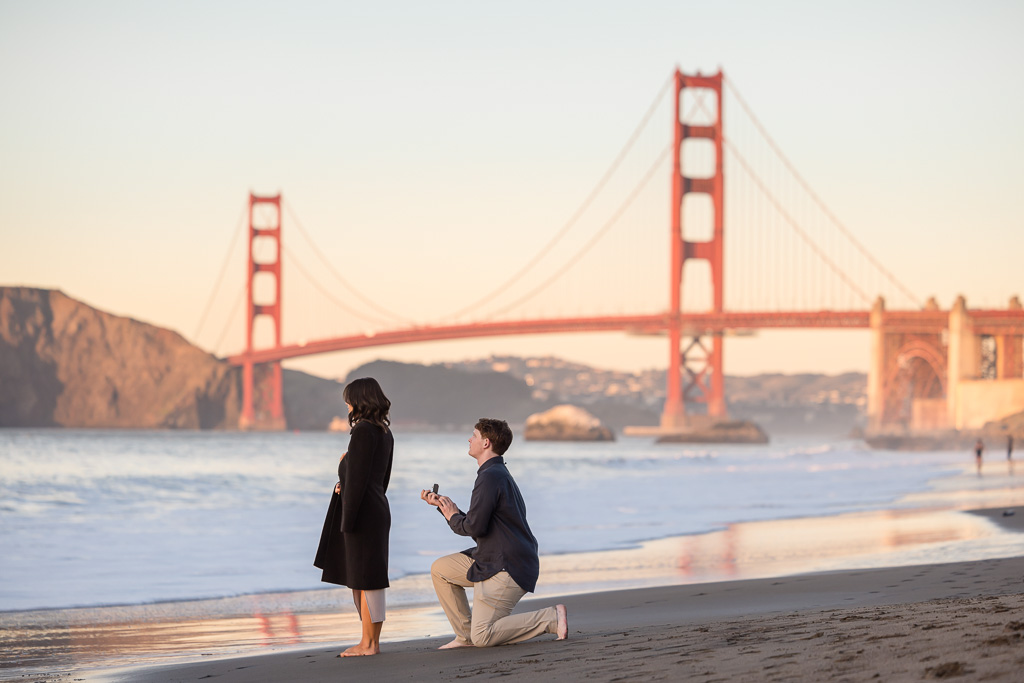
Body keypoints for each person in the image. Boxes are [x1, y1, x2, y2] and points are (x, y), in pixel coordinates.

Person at [420, 418, 568, 649]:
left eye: (474, 436)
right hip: (492, 557)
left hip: (506, 565)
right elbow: (479, 522)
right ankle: (465, 636)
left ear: (486, 442)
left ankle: (550, 618)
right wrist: (446, 508)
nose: (470, 439)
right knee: (441, 570)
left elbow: (474, 528)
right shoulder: (495, 473)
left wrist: (452, 516)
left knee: (484, 636)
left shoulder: (490, 477)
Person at [314, 377, 395, 657]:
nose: (347, 404)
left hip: (361, 511)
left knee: (364, 578)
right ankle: (370, 641)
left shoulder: (362, 431)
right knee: (367, 576)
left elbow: (359, 478)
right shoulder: (384, 431)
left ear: (359, 400)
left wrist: (344, 468)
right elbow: (381, 479)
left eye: (349, 398)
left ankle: (368, 644)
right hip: (376, 507)